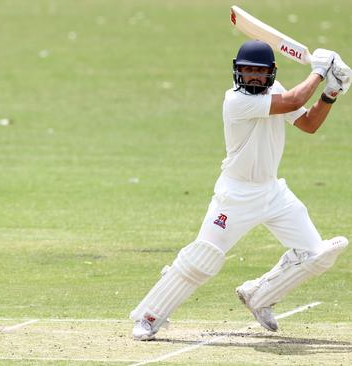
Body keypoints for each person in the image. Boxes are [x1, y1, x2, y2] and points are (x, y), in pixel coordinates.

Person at [129, 40, 351, 340]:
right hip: (235, 196)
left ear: (271, 73)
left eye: (259, 72)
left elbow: (309, 123)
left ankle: (258, 296)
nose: (253, 77)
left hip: (273, 193)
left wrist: (331, 91)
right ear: (237, 72)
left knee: (317, 254)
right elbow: (294, 101)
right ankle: (148, 316)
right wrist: (320, 71)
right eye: (247, 71)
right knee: (202, 259)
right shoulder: (236, 101)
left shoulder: (276, 92)